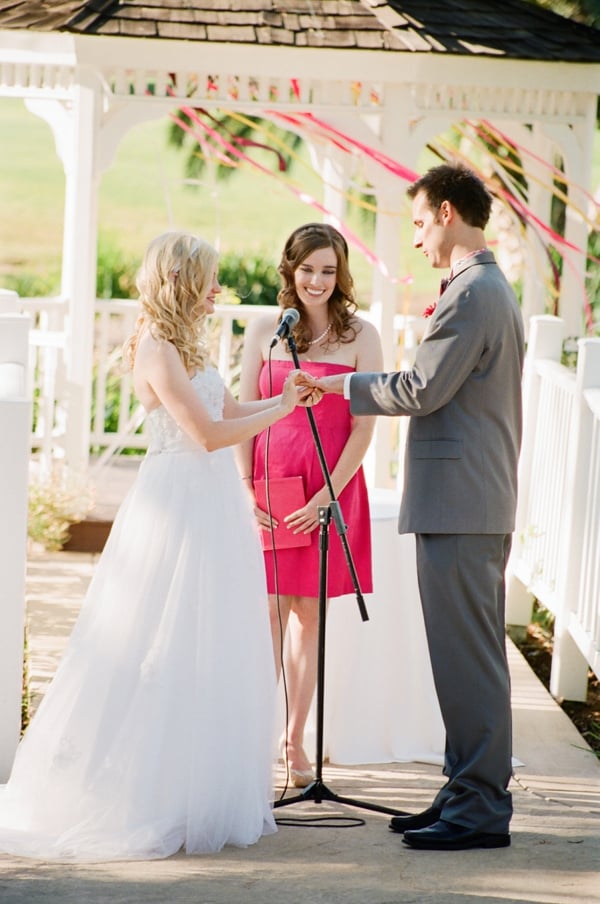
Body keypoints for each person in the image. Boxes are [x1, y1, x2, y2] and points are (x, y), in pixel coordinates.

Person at [0, 231, 312, 862]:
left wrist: (281, 398)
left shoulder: (193, 345)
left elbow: (228, 406)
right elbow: (207, 434)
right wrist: (280, 411)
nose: (218, 290)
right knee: (154, 640)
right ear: (181, 281)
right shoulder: (155, 346)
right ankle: (141, 793)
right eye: (209, 279)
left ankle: (195, 788)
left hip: (214, 507)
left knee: (210, 640)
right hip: (175, 504)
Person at [302, 164, 525, 850]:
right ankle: (464, 790)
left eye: (423, 223)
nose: (420, 239)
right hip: (465, 502)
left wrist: (338, 387)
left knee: (470, 663)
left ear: (451, 213)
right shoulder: (481, 289)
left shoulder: (474, 294)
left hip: (463, 506)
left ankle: (481, 808)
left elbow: (424, 388)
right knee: (462, 660)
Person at [236, 223, 383, 787]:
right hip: (272, 488)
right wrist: (248, 487)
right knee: (268, 612)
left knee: (308, 614)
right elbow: (244, 413)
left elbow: (364, 429)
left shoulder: (362, 336)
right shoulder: (263, 332)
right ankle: (251, 738)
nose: (317, 281)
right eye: (307, 270)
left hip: (330, 488)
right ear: (289, 270)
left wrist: (327, 495)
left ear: (341, 273)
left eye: (328, 270)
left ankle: (295, 742)